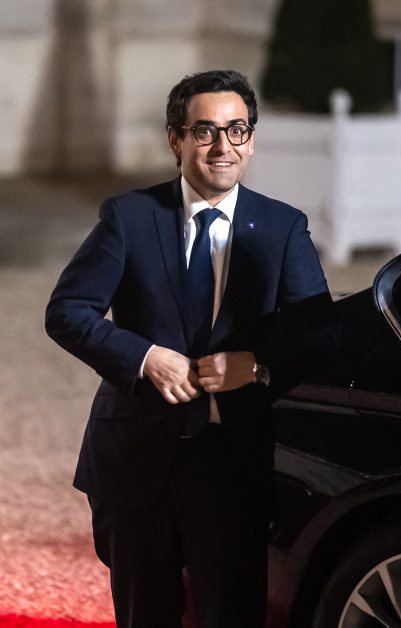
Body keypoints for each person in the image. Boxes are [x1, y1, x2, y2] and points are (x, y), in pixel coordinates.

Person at [45, 69, 338, 628]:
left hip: (233, 466)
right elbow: (67, 311)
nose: (223, 146)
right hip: (137, 460)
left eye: (237, 130)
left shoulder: (282, 228)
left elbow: (323, 336)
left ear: (251, 139)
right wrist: (145, 358)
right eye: (205, 131)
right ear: (175, 139)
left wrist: (257, 365)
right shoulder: (130, 218)